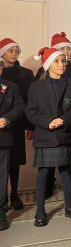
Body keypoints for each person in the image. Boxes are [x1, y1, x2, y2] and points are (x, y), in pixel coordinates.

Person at [25, 47, 71, 227]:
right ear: (49, 64)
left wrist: (63, 120)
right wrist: (48, 122)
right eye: (58, 61)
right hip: (45, 135)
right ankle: (40, 211)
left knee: (66, 172)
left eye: (64, 61)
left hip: (65, 134)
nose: (62, 64)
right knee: (43, 173)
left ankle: (69, 207)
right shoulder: (36, 87)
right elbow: (31, 111)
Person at [35, 32, 71, 198]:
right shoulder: (41, 74)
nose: (67, 52)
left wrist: (67, 118)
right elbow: (36, 101)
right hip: (48, 123)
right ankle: (48, 186)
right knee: (47, 162)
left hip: (68, 122)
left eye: (69, 49)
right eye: (63, 49)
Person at [0, 38, 34, 210]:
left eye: (16, 51)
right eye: (10, 51)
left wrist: (30, 125)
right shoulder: (1, 72)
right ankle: (2, 197)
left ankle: (14, 194)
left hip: (18, 122)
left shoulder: (26, 73)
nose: (14, 54)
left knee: (14, 160)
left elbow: (28, 101)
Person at [0, 60, 25, 231]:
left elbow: (19, 107)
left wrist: (7, 119)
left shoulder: (11, 87)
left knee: (1, 177)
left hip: (3, 138)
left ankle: (1, 212)